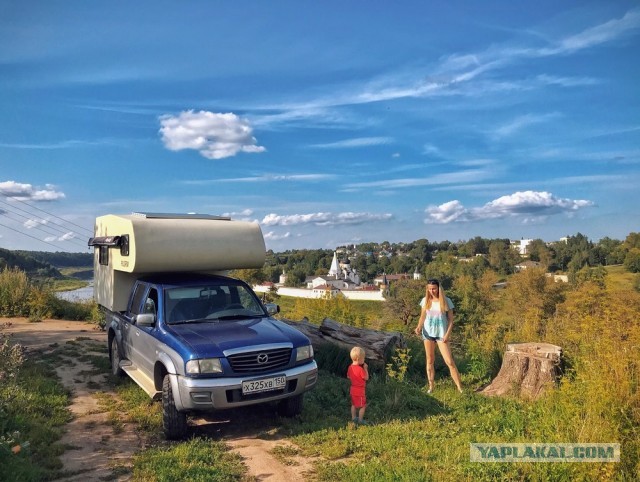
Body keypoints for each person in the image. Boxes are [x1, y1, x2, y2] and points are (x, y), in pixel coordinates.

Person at [414, 279, 463, 393]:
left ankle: (460, 388)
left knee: (449, 361)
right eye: (430, 289)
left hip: (442, 334)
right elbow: (422, 317)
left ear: (439, 288)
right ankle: (431, 387)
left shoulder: (446, 301)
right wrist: (419, 326)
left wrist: (447, 334)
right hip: (428, 334)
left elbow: (451, 320)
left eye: (434, 288)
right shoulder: (425, 301)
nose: (432, 291)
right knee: (430, 360)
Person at [347, 346, 369, 424]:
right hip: (360, 390)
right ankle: (360, 420)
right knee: (362, 406)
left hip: (352, 389)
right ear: (358, 359)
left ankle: (353, 418)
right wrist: (365, 369)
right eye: (363, 358)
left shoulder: (350, 367)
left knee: (353, 404)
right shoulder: (360, 369)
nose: (364, 360)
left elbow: (348, 376)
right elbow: (366, 378)